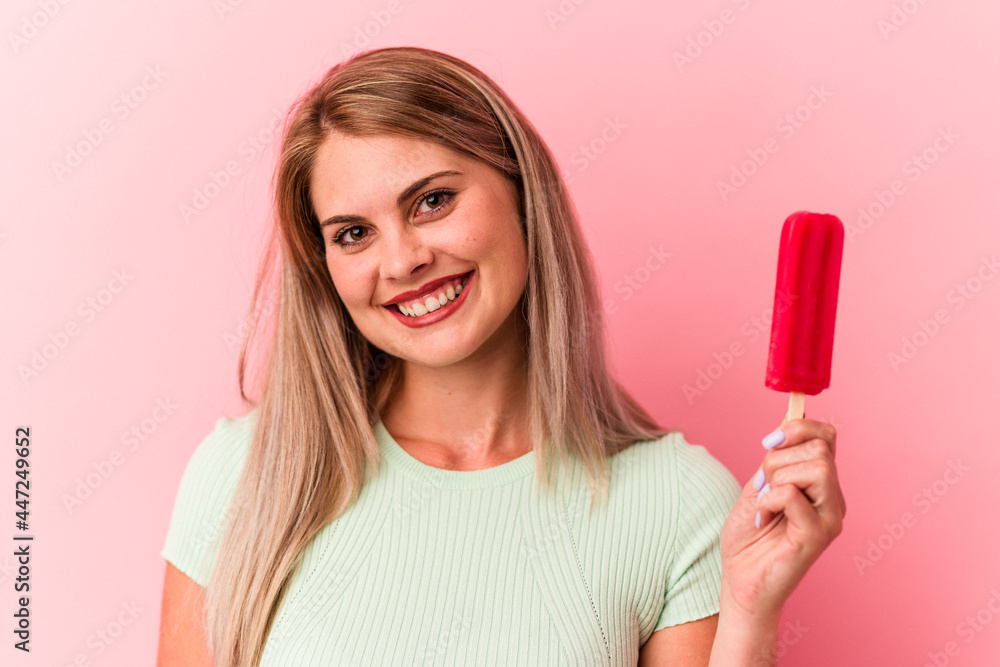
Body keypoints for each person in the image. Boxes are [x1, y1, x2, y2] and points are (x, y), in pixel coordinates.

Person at [156, 46, 845, 667]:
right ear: (326, 267)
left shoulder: (676, 504)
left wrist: (750, 617)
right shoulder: (244, 475)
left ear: (522, 193)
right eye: (354, 233)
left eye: (432, 200)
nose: (402, 260)